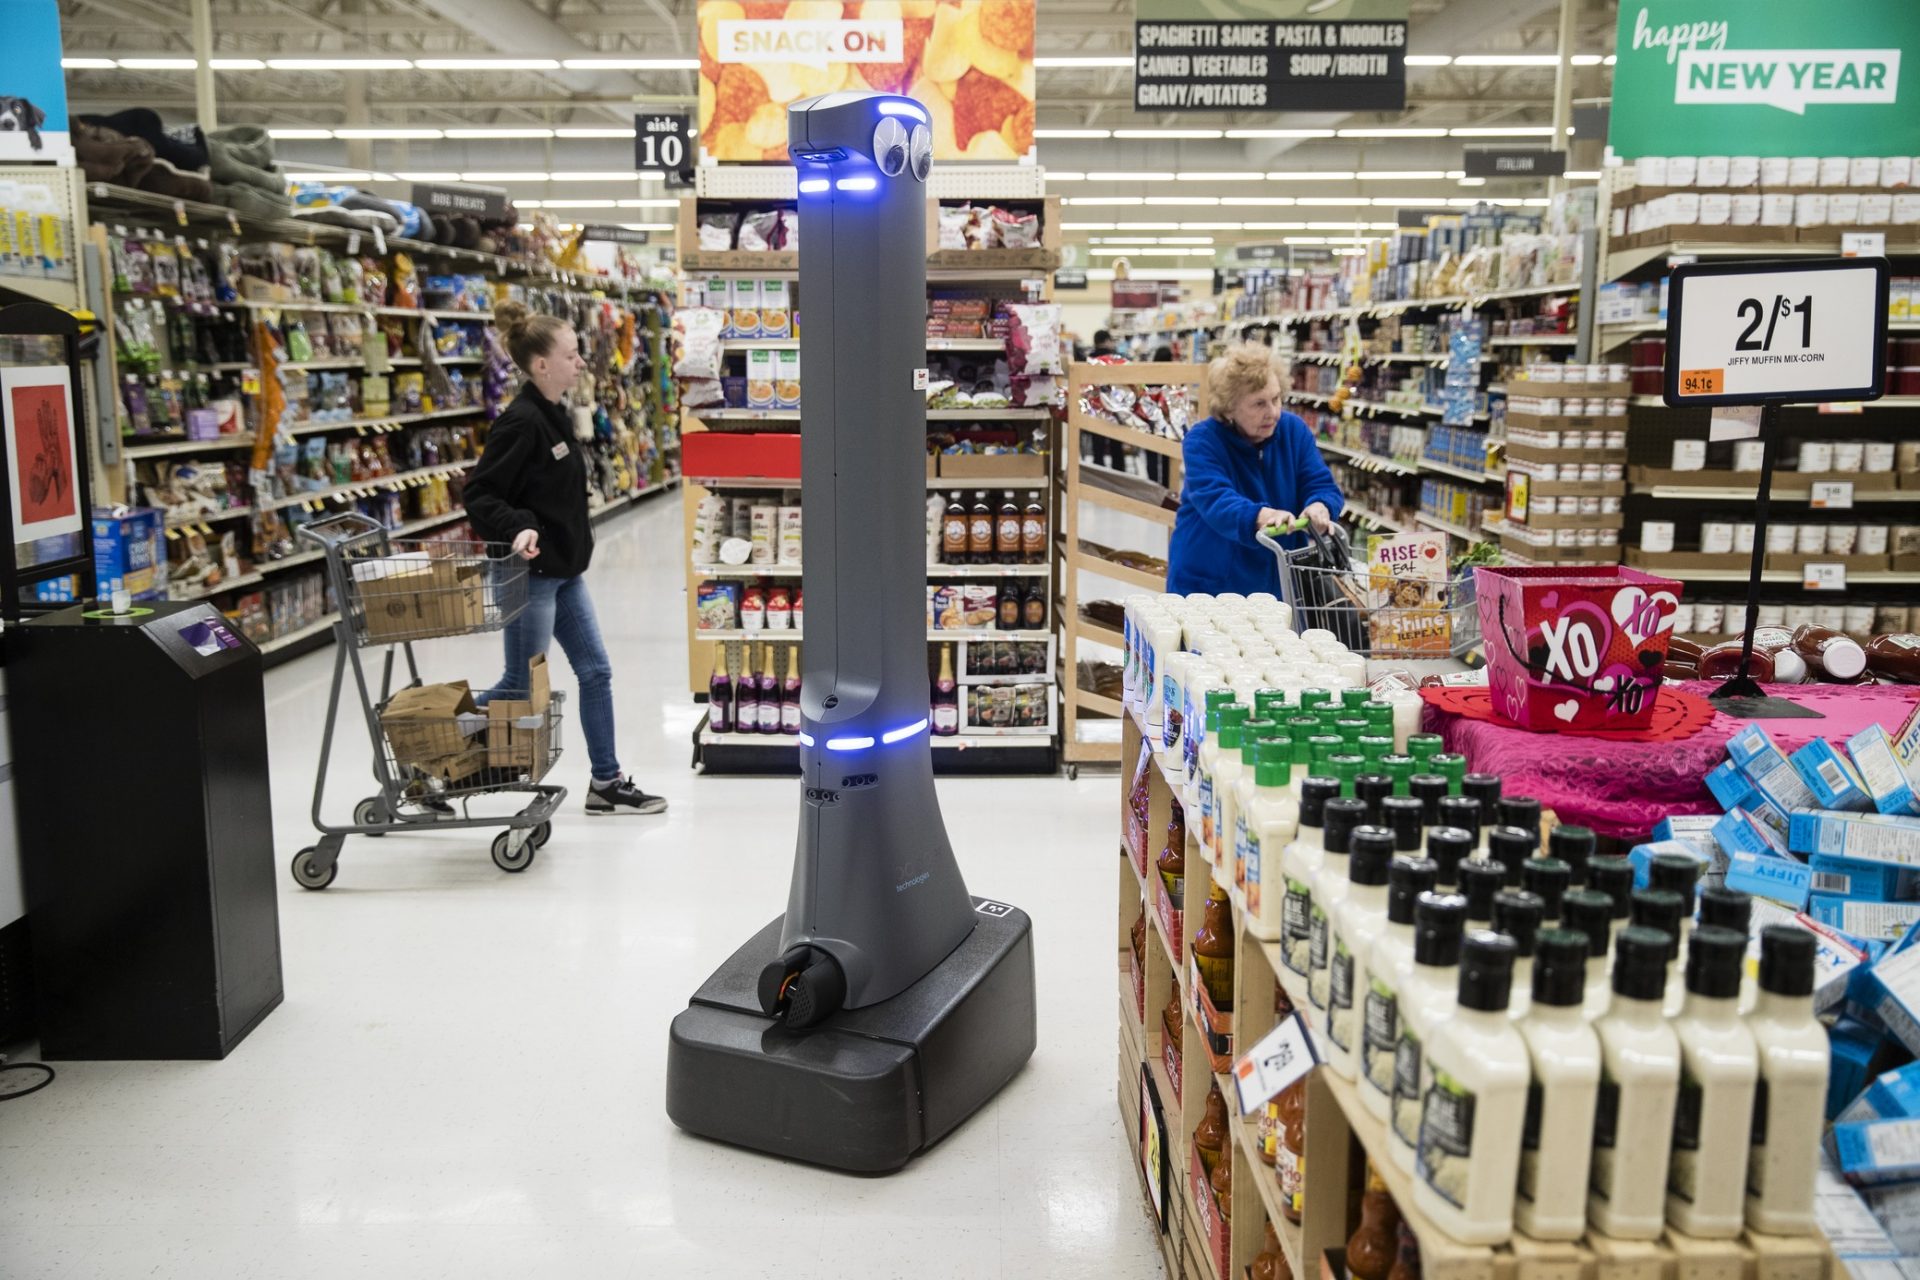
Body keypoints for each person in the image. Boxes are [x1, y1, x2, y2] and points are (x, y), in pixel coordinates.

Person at [464, 300, 667, 817]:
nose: (581, 363)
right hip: (530, 577)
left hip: (564, 574)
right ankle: (429, 739)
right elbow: (481, 494)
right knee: (517, 684)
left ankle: (606, 782)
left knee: (595, 672)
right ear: (541, 366)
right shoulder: (522, 422)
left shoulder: (554, 415)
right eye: (572, 354)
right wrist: (520, 525)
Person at [1167, 341, 1344, 597]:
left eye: (1276, 399)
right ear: (1229, 407)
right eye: (1259, 404)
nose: (1272, 412)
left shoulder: (1293, 431)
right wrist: (1261, 516)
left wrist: (1321, 505)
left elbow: (1320, 483)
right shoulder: (1203, 441)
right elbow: (1216, 499)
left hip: (1278, 584)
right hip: (1212, 583)